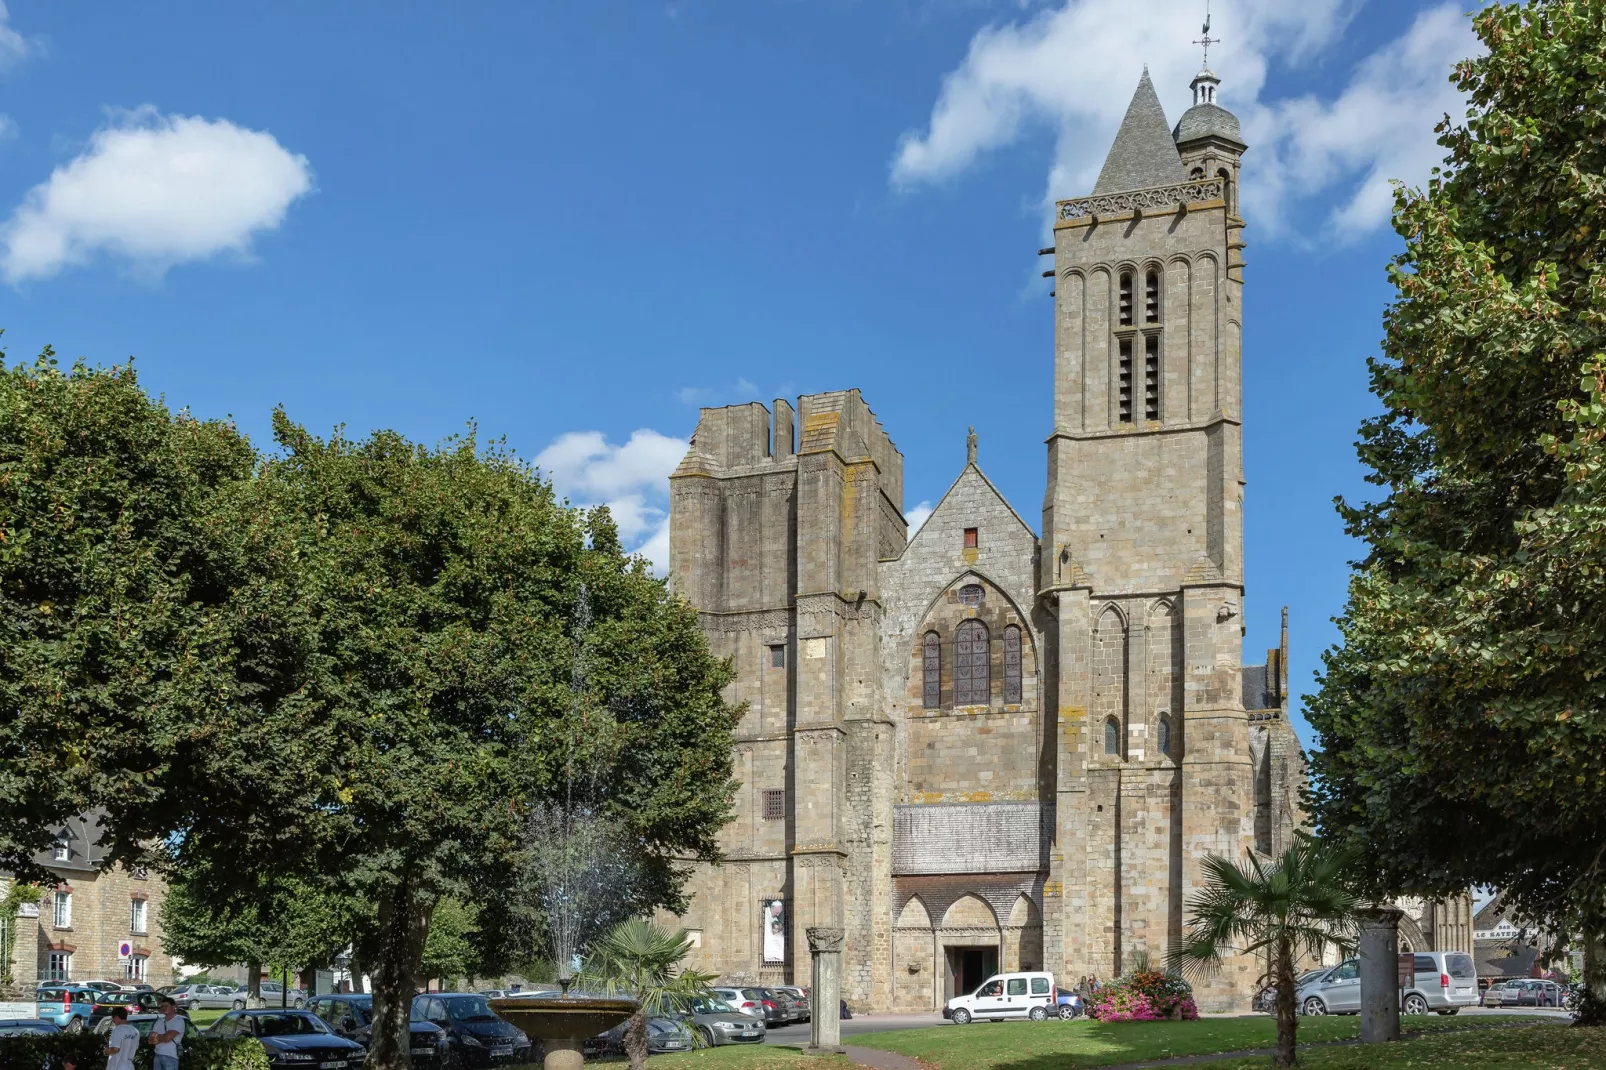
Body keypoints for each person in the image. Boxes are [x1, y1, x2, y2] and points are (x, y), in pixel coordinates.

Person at [149, 998, 183, 1070]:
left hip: (171, 1056)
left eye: (166, 1006)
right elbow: (150, 1040)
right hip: (157, 1055)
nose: (163, 1008)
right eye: (162, 1006)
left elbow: (167, 1038)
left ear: (173, 1007)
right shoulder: (159, 1021)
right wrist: (162, 1037)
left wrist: (156, 1036)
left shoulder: (179, 1020)